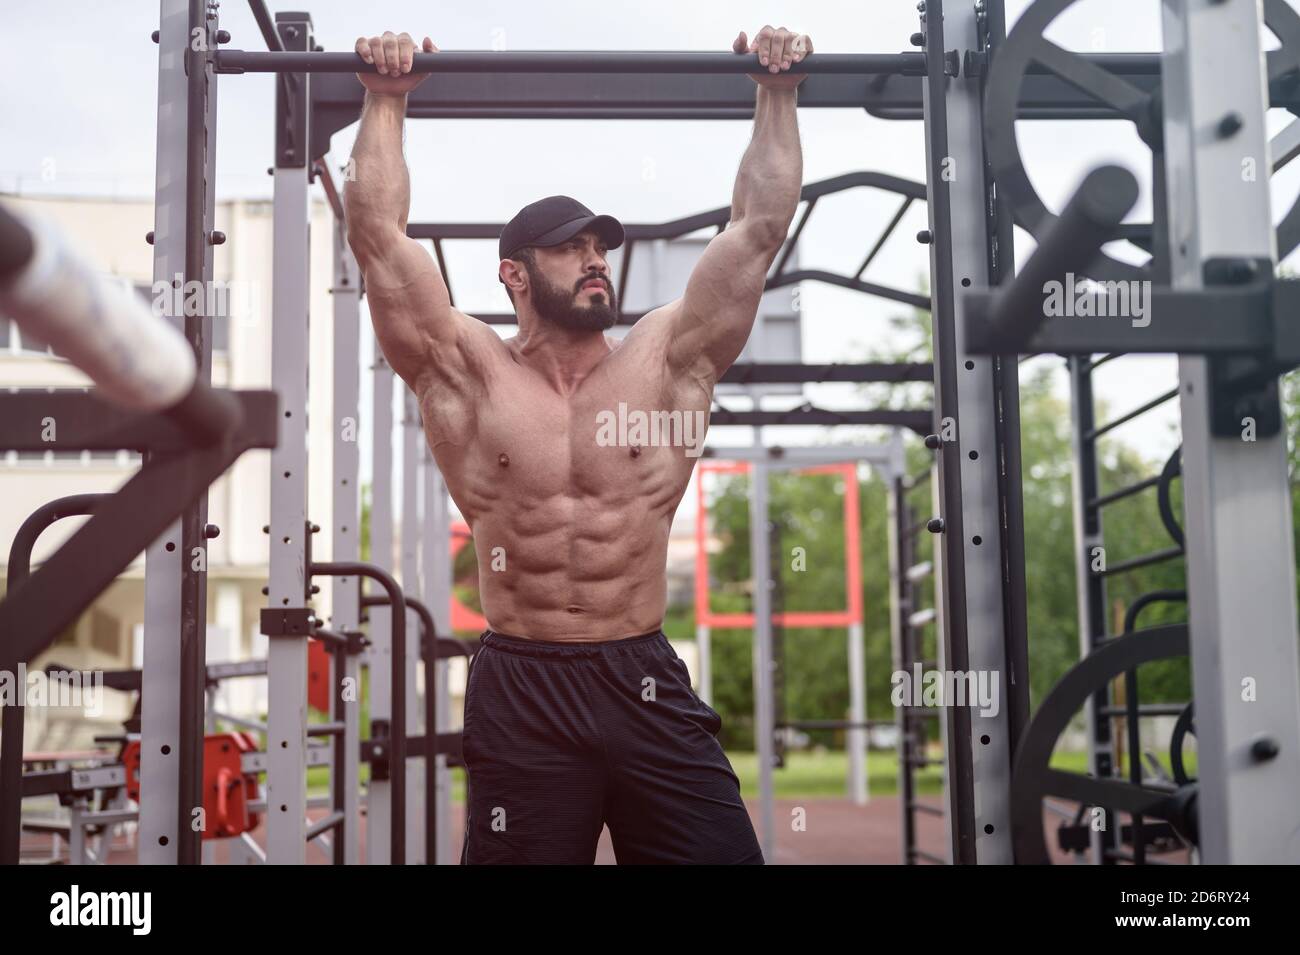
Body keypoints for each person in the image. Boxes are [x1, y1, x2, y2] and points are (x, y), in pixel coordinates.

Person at [344, 25, 812, 865]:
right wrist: (385, 98)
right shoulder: (466, 370)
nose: (596, 260)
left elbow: (757, 227)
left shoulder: (668, 358)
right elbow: (378, 237)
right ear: (514, 274)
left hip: (643, 676)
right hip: (521, 687)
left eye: (600, 248)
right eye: (571, 248)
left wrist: (776, 87)